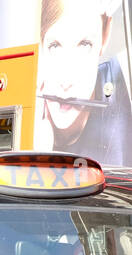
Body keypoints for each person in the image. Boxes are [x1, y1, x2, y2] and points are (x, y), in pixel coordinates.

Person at [35, 0, 132, 165]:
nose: (65, 82)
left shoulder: (124, 80)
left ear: (105, 35)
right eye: (54, 46)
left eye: (84, 45)